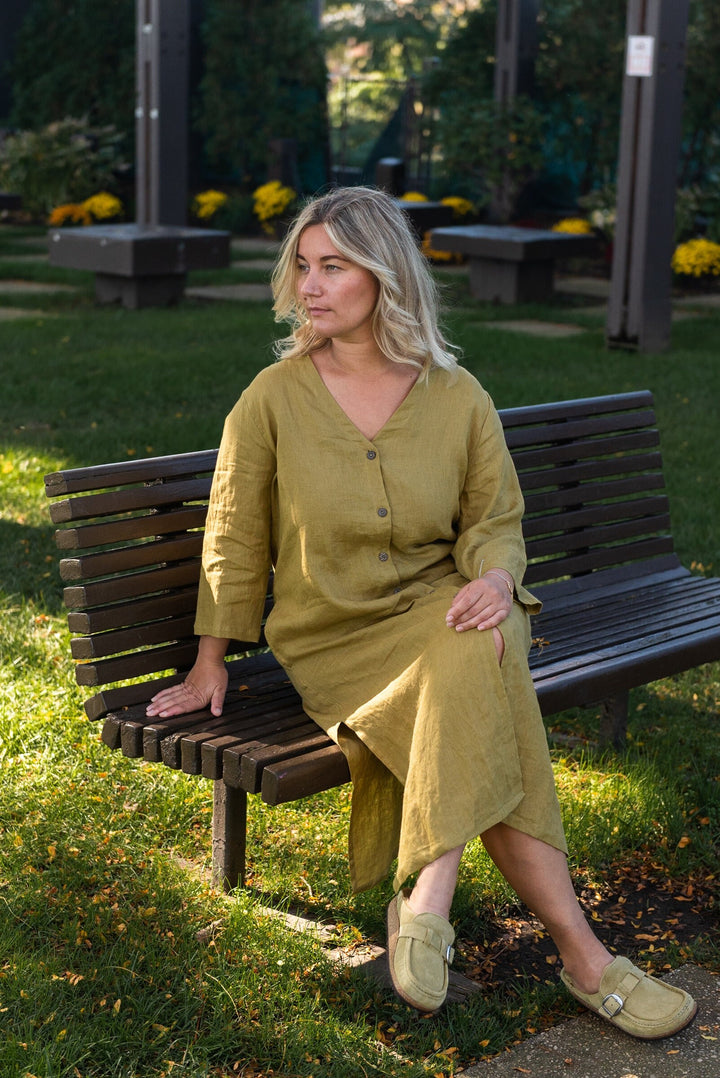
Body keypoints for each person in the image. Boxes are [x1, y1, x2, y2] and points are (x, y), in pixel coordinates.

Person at [146, 186, 696, 1033]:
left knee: (485, 633)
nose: (310, 285)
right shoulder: (273, 396)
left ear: (385, 275)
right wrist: (210, 657)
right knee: (490, 673)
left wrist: (495, 577)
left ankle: (429, 898)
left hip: (442, 615)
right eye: (303, 265)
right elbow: (233, 531)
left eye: (334, 266)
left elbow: (495, 523)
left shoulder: (456, 395)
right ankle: (584, 960)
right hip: (333, 635)